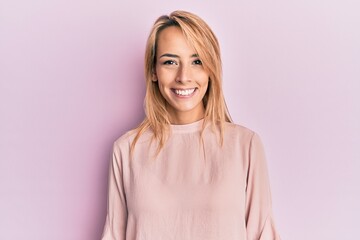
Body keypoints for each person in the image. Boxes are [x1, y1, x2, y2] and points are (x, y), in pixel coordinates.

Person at [101, 10, 280, 240]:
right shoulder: (126, 150)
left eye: (197, 61)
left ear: (211, 70)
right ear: (153, 71)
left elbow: (262, 233)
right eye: (170, 62)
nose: (184, 76)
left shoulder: (245, 146)